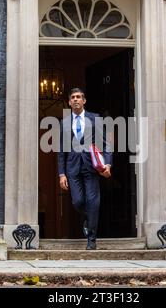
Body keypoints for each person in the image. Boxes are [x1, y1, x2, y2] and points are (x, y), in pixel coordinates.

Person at [58, 88, 112, 250]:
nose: (76, 100)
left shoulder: (95, 119)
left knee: (93, 202)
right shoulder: (64, 123)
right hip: (72, 168)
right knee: (78, 201)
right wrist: (62, 174)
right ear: (69, 102)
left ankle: (92, 239)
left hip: (92, 166)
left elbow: (106, 144)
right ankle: (90, 218)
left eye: (79, 97)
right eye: (73, 97)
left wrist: (108, 164)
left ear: (84, 101)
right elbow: (61, 151)